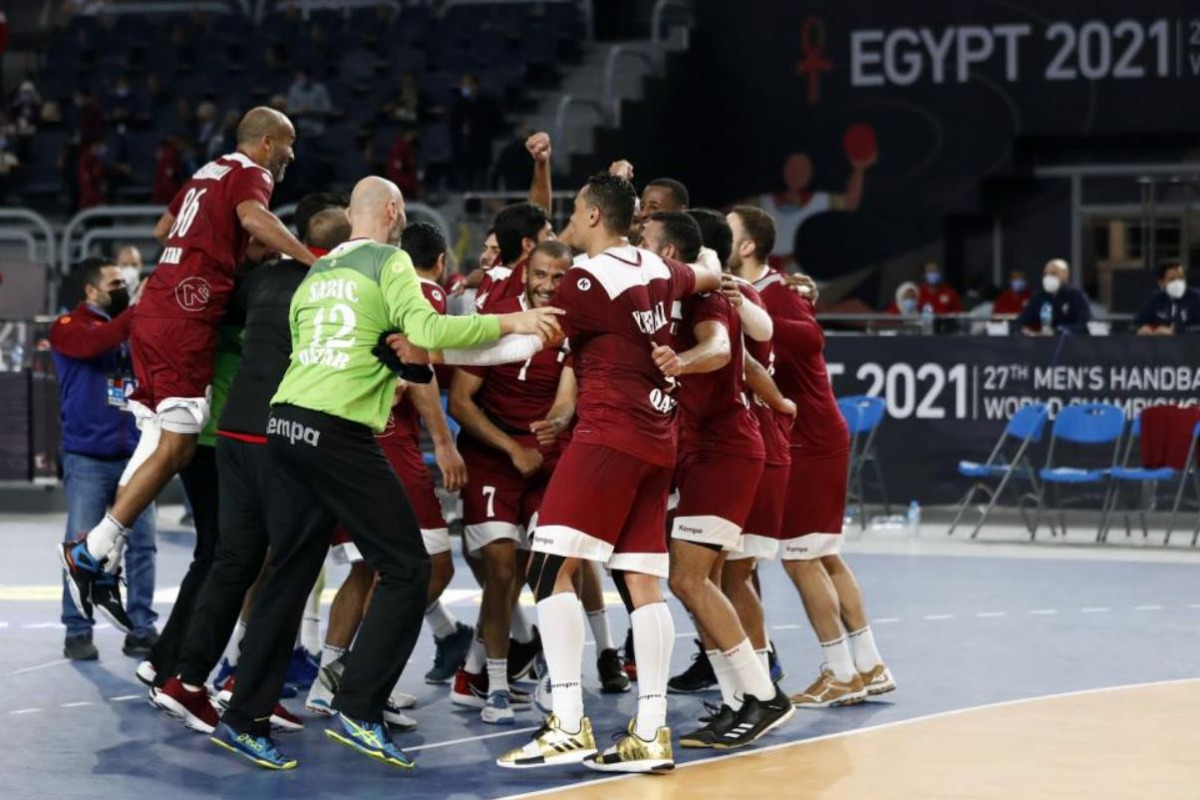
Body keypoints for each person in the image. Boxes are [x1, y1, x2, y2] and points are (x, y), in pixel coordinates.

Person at [209, 176, 562, 770]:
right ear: (393, 212)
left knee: (290, 575)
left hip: (285, 424)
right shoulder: (390, 261)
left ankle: (243, 718)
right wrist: (512, 325)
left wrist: (384, 354)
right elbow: (426, 335)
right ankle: (359, 708)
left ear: (351, 214)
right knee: (406, 567)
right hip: (338, 430)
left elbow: (315, 344)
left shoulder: (316, 275)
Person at [492, 172, 724, 774]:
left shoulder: (585, 280)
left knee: (546, 568)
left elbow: (523, 345)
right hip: (657, 441)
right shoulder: (655, 268)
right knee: (643, 584)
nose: (567, 219)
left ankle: (567, 722)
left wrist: (431, 349)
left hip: (608, 437)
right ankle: (650, 732)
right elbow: (711, 272)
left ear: (594, 216)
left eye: (573, 211)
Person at [58, 108, 316, 634]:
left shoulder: (206, 171)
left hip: (158, 310)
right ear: (268, 143)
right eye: (288, 145)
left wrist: (216, 254)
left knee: (158, 437)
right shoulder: (252, 172)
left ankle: (102, 551)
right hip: (184, 317)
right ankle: (93, 549)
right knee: (178, 443)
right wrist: (314, 260)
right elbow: (254, 218)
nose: (292, 155)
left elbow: (164, 228)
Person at [147, 203, 351, 735]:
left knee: (235, 561)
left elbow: (201, 305)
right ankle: (248, 690)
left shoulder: (259, 280)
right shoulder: (334, 286)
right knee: (287, 571)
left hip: (233, 430)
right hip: (284, 435)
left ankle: (188, 682)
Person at [727, 205, 896, 709]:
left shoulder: (778, 295)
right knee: (823, 554)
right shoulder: (759, 292)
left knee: (801, 559)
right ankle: (869, 665)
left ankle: (840, 672)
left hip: (809, 439)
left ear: (749, 245)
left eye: (729, 232)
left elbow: (811, 337)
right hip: (815, 436)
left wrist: (766, 321)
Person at [639, 210, 793, 748]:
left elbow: (725, 350)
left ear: (674, 254)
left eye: (647, 240)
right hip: (703, 450)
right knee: (698, 581)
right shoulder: (675, 298)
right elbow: (748, 362)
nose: (639, 246)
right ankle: (737, 701)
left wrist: (679, 363)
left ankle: (764, 696)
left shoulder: (706, 297)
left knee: (691, 579)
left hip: (724, 452)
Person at [450, 240, 609, 724]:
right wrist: (511, 447)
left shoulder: (574, 328)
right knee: (500, 569)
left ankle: (556, 672)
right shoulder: (497, 318)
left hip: (548, 459)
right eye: (539, 274)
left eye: (557, 277)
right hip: (494, 457)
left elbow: (566, 397)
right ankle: (495, 684)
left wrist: (558, 423)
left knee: (553, 565)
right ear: (526, 272)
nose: (546, 285)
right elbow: (460, 401)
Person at [50, 259, 157, 658]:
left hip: (136, 456)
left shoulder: (130, 326)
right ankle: (78, 629)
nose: (122, 288)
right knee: (82, 545)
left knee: (143, 546)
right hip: (88, 458)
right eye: (114, 283)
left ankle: (142, 628)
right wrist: (137, 310)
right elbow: (97, 343)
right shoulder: (67, 328)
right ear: (91, 291)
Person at [1018, 259, 1092, 335]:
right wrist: (1025, 330)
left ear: (1065, 275)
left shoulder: (1076, 296)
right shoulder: (1039, 296)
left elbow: (1084, 325)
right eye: (1045, 274)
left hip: (1070, 343)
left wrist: (1058, 331)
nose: (1048, 277)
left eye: (1053, 273)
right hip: (1043, 343)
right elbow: (1023, 319)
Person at [1134, 260, 1200, 335]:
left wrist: (1176, 331)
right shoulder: (1155, 300)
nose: (1178, 283)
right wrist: (1141, 330)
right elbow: (1134, 326)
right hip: (1161, 345)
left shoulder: (1196, 298)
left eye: (1181, 278)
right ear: (1161, 282)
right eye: (1172, 279)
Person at [285, 68, 332, 138]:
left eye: (304, 77)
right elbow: (289, 110)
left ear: (310, 77)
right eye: (299, 78)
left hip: (318, 128)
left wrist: (312, 110)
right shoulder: (293, 89)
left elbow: (327, 108)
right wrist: (299, 111)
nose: (301, 80)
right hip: (301, 129)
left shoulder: (320, 88)